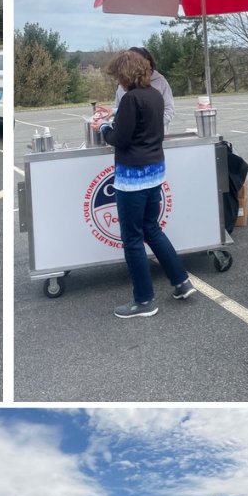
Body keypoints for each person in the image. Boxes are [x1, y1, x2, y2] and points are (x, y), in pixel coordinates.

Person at [96, 48, 194, 318]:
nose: (116, 80)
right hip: (154, 172)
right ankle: (181, 281)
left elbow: (120, 139)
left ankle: (144, 300)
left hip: (132, 178)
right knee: (153, 229)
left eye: (117, 75)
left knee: (133, 240)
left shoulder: (131, 99)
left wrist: (104, 128)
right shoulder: (154, 95)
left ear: (125, 74)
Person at [113, 45, 175, 130]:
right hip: (132, 139)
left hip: (157, 136)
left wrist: (150, 126)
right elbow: (119, 110)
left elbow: (169, 110)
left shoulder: (160, 82)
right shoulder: (122, 85)